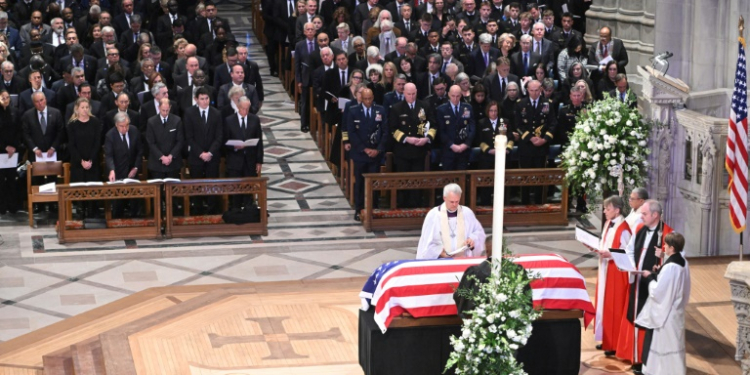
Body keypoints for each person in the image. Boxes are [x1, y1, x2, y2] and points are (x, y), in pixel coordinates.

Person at [616, 199, 673, 374]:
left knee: (650, 323)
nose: (641, 216)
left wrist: (662, 256)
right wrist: (631, 267)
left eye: (645, 213)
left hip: (655, 286)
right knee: (637, 318)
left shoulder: (668, 233)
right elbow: (630, 250)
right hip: (638, 281)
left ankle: (650, 361)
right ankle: (637, 358)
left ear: (655, 215)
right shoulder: (640, 229)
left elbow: (677, 261)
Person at [635, 232, 691, 375]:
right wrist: (659, 272)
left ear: (672, 248)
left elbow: (659, 291)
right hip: (676, 309)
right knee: (673, 343)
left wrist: (649, 278)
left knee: (664, 344)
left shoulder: (671, 267)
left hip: (666, 313)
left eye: (666, 245)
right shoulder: (682, 261)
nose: (664, 247)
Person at [587, 196, 632, 356]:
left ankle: (614, 344)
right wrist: (596, 247)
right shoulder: (608, 223)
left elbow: (629, 253)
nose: (604, 211)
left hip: (616, 273)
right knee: (604, 305)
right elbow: (605, 242)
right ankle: (607, 340)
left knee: (614, 306)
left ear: (617, 210)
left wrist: (611, 254)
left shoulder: (624, 228)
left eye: (608, 208)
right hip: (605, 269)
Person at [388, 82, 435, 207]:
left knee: (417, 180)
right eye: (409, 94)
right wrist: (406, 139)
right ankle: (402, 205)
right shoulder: (396, 108)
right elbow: (393, 130)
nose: (411, 96)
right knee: (404, 179)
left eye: (414, 93)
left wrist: (426, 139)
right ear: (404, 93)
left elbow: (433, 126)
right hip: (403, 150)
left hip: (419, 150)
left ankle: (416, 205)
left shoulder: (424, 106)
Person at [416, 183, 486, 259]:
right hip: (440, 262)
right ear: (444, 198)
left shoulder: (467, 213)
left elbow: (479, 233)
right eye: (452, 202)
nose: (454, 204)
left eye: (457, 201)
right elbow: (426, 242)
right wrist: (439, 252)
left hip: (462, 259)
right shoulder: (434, 215)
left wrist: (472, 239)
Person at [347, 88, 387, 221]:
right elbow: (351, 133)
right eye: (366, 99)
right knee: (359, 182)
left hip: (376, 155)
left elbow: (385, 131)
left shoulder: (380, 110)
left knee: (373, 182)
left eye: (370, 98)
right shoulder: (353, 111)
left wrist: (378, 149)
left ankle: (373, 208)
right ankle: (359, 209)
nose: (368, 101)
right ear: (361, 98)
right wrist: (364, 149)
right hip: (360, 154)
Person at [514, 80, 555, 204]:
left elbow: (553, 124)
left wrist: (544, 139)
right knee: (525, 177)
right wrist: (530, 138)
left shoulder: (547, 103)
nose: (534, 93)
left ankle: (539, 203)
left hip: (541, 147)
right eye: (531, 90)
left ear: (541, 89)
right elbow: (518, 125)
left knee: (540, 177)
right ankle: (525, 203)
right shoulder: (521, 104)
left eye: (537, 90)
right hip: (526, 146)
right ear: (527, 90)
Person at [184, 87, 222, 214]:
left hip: (212, 157)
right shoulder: (189, 113)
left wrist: (210, 153)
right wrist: (201, 153)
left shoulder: (216, 114)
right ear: (196, 100)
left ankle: (212, 210)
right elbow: (189, 137)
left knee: (212, 184)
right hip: (196, 157)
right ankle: (198, 210)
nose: (205, 101)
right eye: (202, 99)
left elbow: (219, 136)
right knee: (197, 185)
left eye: (207, 99)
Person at [223, 96, 264, 211]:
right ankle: (236, 210)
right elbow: (224, 142)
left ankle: (248, 210)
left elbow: (259, 142)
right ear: (238, 107)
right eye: (243, 109)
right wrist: (234, 147)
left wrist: (259, 161)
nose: (245, 111)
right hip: (235, 160)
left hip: (250, 160)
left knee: (249, 187)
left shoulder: (254, 119)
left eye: (247, 109)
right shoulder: (229, 120)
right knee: (236, 188)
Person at [66, 98, 103, 218]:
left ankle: (92, 209)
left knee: (92, 186)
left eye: (87, 107)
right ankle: (80, 209)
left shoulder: (95, 122)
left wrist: (90, 160)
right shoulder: (72, 124)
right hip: (78, 161)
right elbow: (71, 145)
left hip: (92, 160)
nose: (85, 110)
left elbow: (97, 142)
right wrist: (81, 161)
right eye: (82, 107)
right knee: (79, 186)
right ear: (77, 108)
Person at [436, 85, 474, 170]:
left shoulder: (467, 108)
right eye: (453, 96)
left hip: (463, 150)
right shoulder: (441, 110)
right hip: (448, 151)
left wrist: (466, 144)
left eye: (457, 96)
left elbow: (472, 128)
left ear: (461, 95)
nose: (455, 99)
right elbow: (441, 131)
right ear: (449, 94)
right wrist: (452, 145)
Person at [145, 98, 183, 179]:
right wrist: (162, 157)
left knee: (173, 189)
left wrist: (170, 156)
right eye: (163, 110)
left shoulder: (177, 120)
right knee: (158, 190)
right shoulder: (151, 122)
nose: (165, 112)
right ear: (159, 108)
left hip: (173, 162)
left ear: (170, 107)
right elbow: (151, 143)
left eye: (167, 110)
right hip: (156, 163)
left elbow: (180, 141)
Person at [0, 89, 20, 214]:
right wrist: (4, 147)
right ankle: (1, 207)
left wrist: (14, 147)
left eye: (7, 97)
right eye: (3, 98)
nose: (6, 100)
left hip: (13, 151)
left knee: (12, 179)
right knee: (1, 181)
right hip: (0, 151)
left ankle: (13, 206)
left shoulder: (15, 112)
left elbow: (19, 131)